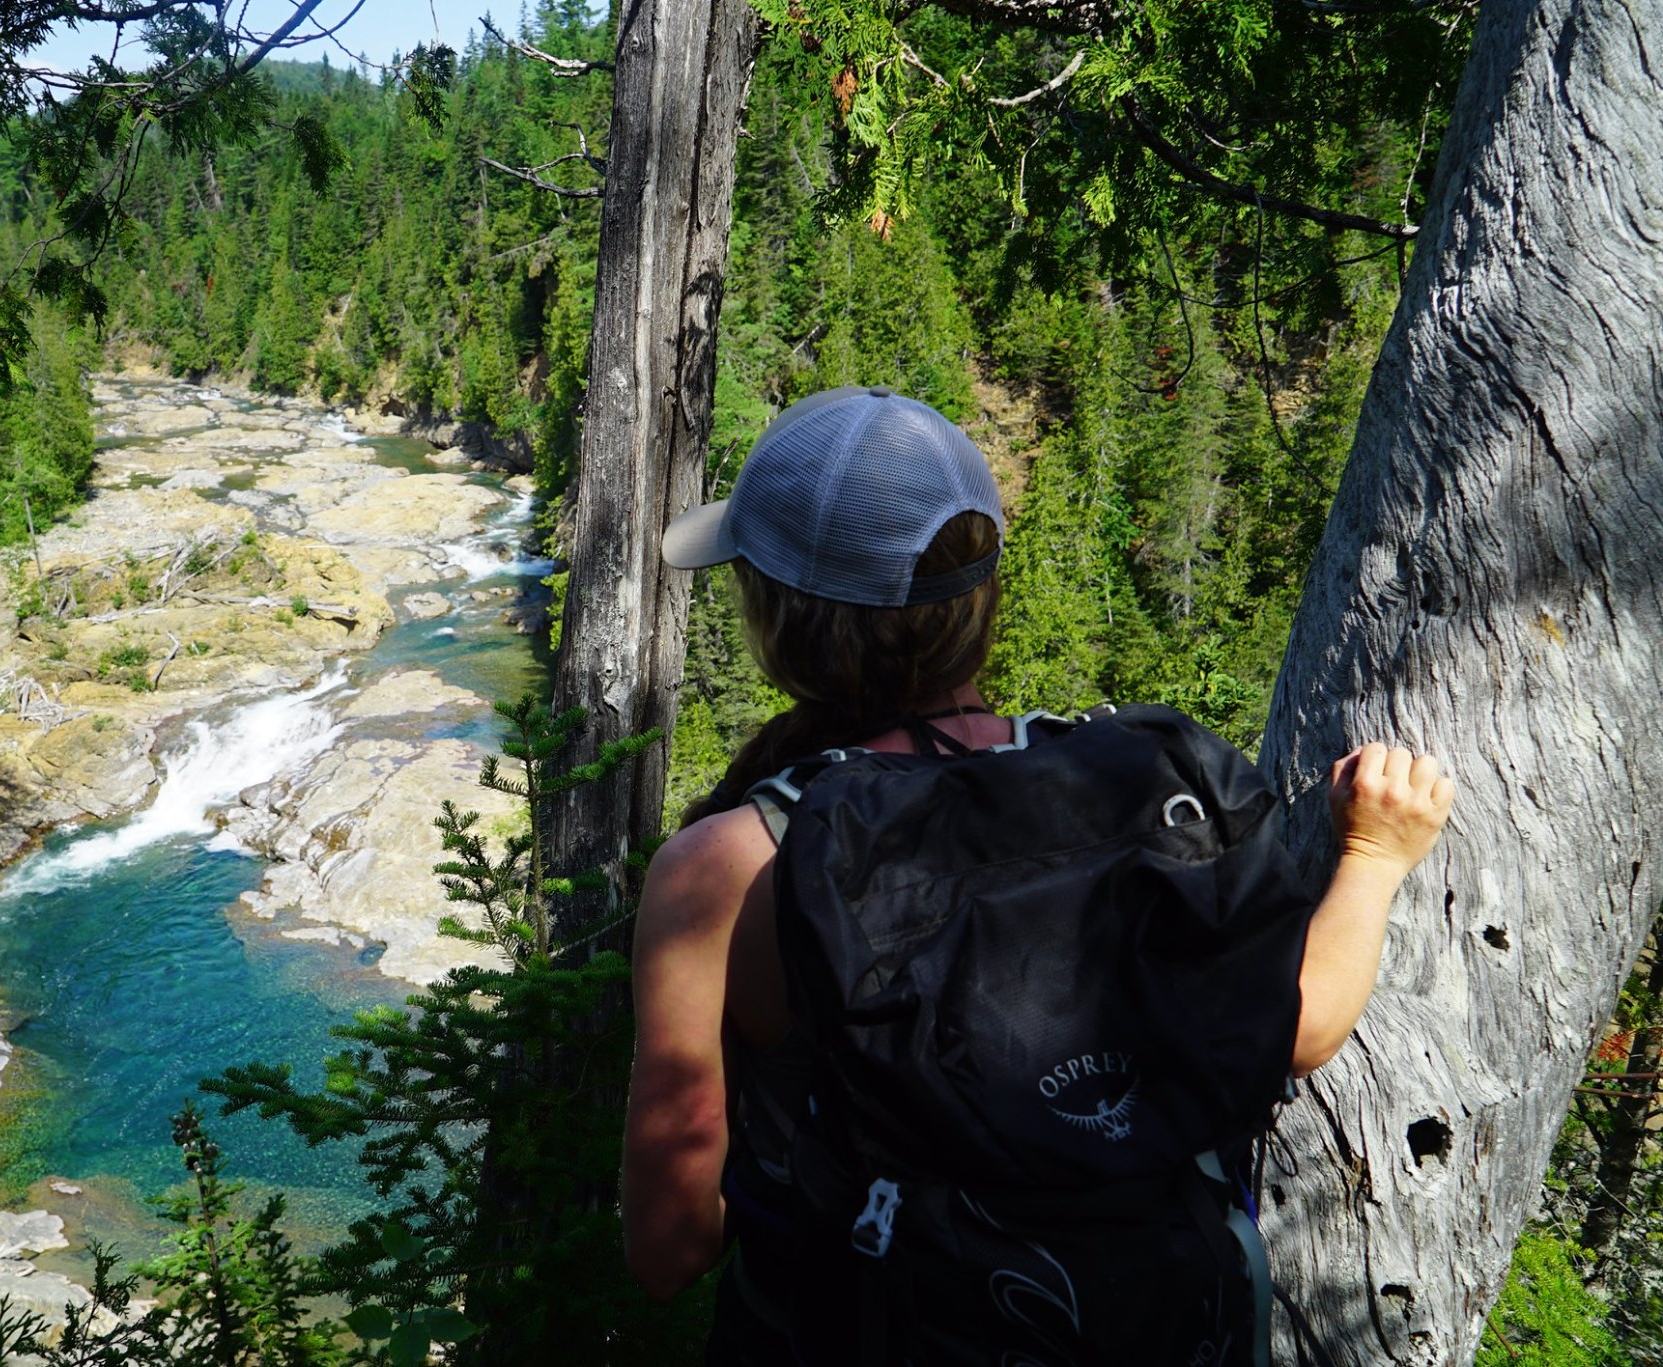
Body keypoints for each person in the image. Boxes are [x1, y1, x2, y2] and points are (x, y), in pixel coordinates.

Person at [619, 385, 1455, 1363]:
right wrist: (1371, 855)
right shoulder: (1135, 794)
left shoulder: (724, 865)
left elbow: (669, 1248)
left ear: (775, 616)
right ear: (978, 596)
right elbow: (1299, 1023)